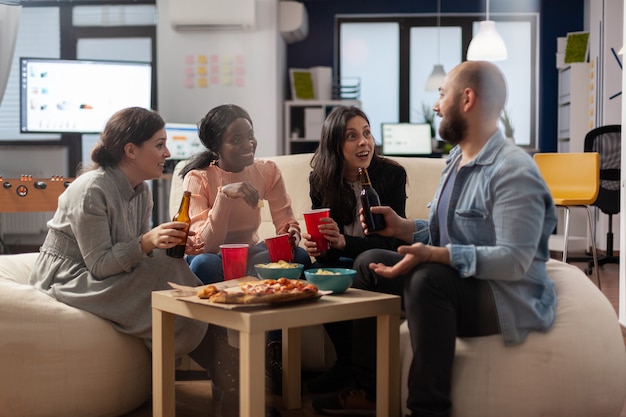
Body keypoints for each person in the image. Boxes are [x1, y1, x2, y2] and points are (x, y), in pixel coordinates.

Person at [312, 61, 558, 417]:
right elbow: (450, 230)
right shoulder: (457, 159)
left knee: (430, 280)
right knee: (369, 265)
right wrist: (402, 228)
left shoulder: (513, 169)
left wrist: (437, 256)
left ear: (467, 99)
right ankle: (368, 388)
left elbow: (515, 260)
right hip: (463, 279)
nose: (436, 105)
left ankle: (427, 408)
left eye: (442, 94)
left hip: (503, 296)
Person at [26, 107, 276, 417]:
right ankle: (228, 371)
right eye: (159, 144)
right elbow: (101, 264)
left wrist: (167, 244)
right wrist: (148, 242)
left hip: (104, 269)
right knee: (161, 270)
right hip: (69, 275)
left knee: (169, 264)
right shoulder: (91, 190)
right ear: (131, 150)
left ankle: (227, 373)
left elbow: (136, 252)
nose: (168, 152)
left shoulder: (141, 191)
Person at [302, 105, 408, 393]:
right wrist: (320, 247)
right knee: (312, 272)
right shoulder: (320, 180)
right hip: (346, 260)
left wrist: (344, 243)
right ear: (336, 144)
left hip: (378, 260)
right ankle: (346, 364)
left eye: (367, 133)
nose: (364, 142)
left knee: (364, 259)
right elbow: (330, 252)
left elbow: (394, 243)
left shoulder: (391, 176)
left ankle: (350, 372)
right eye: (352, 136)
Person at [180, 104, 311, 284]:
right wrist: (224, 196)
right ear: (216, 147)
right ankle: (244, 290)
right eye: (236, 140)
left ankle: (255, 292)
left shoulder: (267, 171)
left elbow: (285, 222)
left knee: (300, 256)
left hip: (249, 253)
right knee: (204, 264)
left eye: (250, 136)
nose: (248, 144)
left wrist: (291, 234)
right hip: (212, 256)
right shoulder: (197, 178)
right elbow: (204, 245)